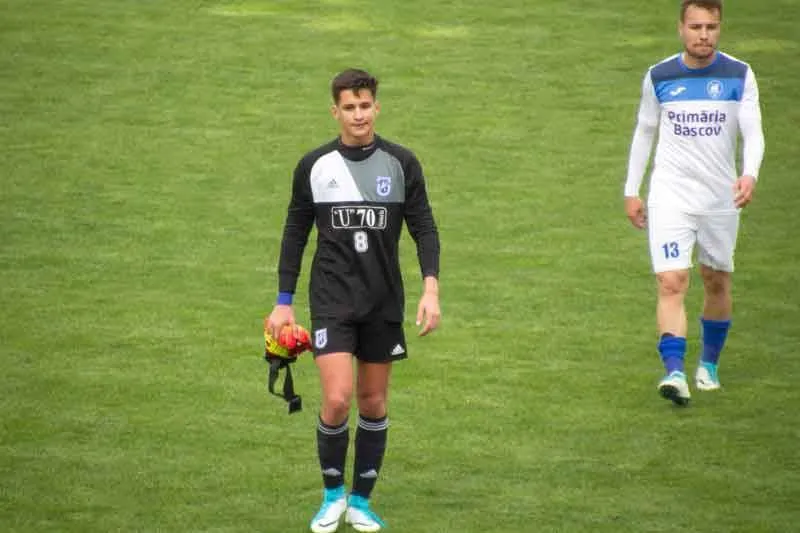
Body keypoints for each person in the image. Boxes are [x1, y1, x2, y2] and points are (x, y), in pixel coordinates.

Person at [265, 68, 441, 532]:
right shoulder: (315, 166)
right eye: (350, 107)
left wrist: (431, 288)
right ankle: (331, 495)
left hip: (383, 301)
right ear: (335, 111)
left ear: (376, 108)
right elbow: (295, 231)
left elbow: (423, 226)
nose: (359, 115)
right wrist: (283, 300)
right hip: (332, 298)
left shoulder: (402, 163)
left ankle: (361, 501)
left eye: (366, 106)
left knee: (373, 402)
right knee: (339, 398)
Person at [623, 0, 765, 406]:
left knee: (716, 279)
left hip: (721, 196)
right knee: (671, 281)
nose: (704, 35)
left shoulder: (739, 74)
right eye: (696, 26)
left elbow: (753, 133)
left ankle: (709, 365)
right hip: (671, 195)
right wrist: (632, 189)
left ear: (719, 28)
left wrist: (749, 173)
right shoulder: (660, 76)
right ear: (681, 28)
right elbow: (645, 131)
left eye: (712, 27)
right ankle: (674, 373)